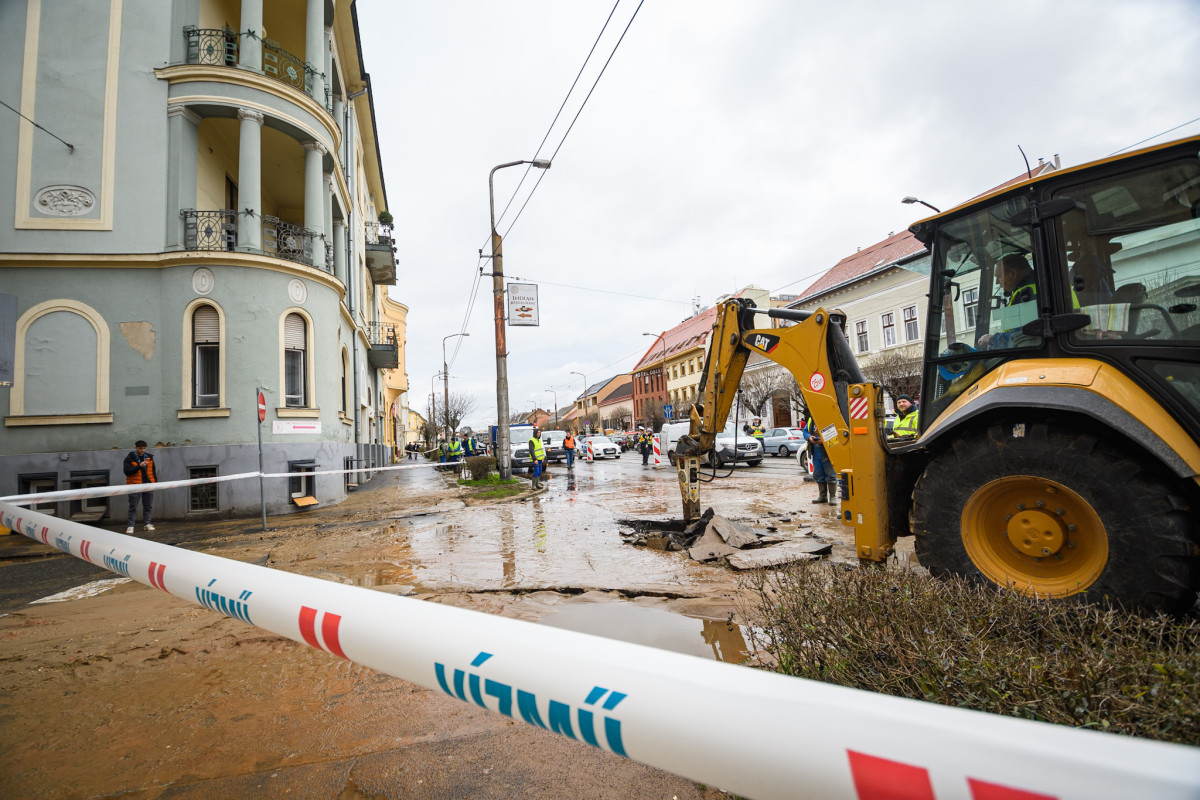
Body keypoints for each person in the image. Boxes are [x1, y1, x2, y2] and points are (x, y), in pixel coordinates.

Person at [978, 253, 1038, 349]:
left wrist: (991, 339)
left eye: (999, 276)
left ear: (1013, 274)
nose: (997, 282)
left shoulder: (1027, 295)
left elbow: (1021, 338)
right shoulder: (1041, 286)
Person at [122, 440, 157, 534]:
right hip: (135, 485)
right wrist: (139, 466)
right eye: (140, 448)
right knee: (133, 506)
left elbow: (153, 471)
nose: (142, 450)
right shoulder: (129, 458)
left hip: (148, 484)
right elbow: (127, 471)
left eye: (144, 448)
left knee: (148, 506)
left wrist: (154, 482)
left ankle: (147, 524)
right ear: (136, 448)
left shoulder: (149, 457)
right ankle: (130, 526)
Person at [804, 419, 837, 504]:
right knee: (818, 474)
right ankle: (823, 496)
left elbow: (837, 434)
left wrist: (823, 441)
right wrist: (809, 437)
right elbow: (805, 431)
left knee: (830, 475)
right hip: (816, 452)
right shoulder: (811, 420)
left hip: (828, 452)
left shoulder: (829, 416)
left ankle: (832, 497)